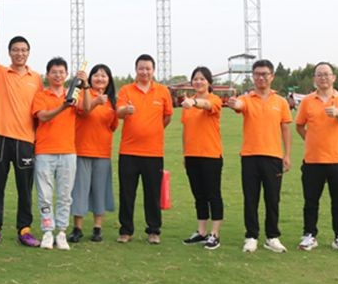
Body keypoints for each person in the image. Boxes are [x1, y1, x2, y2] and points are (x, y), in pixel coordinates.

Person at [0, 27, 42, 248]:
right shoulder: (1, 73)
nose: (19, 53)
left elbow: (40, 110)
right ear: (9, 52)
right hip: (1, 138)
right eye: (15, 50)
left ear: (28, 53)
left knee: (25, 188)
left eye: (23, 50)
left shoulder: (36, 79)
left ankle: (24, 230)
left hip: (26, 140)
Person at [226, 59, 292, 254]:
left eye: (264, 74)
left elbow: (286, 128)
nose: (260, 78)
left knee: (272, 199)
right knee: (251, 198)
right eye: (257, 74)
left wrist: (287, 155)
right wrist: (234, 103)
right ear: (253, 77)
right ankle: (251, 236)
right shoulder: (247, 98)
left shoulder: (280, 102)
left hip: (273, 157)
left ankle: (272, 236)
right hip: (250, 156)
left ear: (271, 76)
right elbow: (239, 105)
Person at [295, 61, 338, 253]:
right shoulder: (307, 101)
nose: (323, 78)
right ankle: (309, 235)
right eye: (319, 74)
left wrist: (337, 113)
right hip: (313, 161)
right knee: (311, 202)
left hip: (337, 159)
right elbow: (299, 125)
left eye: (326, 74)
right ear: (314, 78)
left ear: (333, 77)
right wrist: (310, 140)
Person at [115, 54, 173, 244]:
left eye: (148, 68)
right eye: (141, 68)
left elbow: (167, 116)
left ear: (153, 70)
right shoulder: (126, 90)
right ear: (136, 69)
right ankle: (126, 230)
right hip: (128, 152)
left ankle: (154, 230)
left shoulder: (162, 91)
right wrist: (126, 110)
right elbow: (118, 112)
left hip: (153, 152)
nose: (144, 72)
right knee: (127, 193)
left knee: (152, 194)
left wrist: (153, 130)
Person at [31, 57, 88, 250]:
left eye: (61, 72)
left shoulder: (73, 93)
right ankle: (48, 231)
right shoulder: (41, 95)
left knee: (65, 195)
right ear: (47, 75)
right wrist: (63, 106)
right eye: (54, 72)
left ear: (66, 74)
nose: (58, 75)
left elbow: (86, 109)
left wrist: (85, 86)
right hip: (44, 152)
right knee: (45, 196)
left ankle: (61, 231)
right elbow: (43, 116)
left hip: (68, 152)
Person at [68, 63, 118, 243]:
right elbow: (84, 110)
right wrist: (91, 94)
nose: (100, 78)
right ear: (90, 78)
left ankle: (98, 228)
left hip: (102, 152)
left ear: (109, 80)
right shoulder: (82, 93)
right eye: (96, 75)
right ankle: (77, 228)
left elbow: (113, 126)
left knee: (100, 190)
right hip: (82, 149)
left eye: (104, 76)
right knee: (80, 190)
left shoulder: (112, 101)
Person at [180, 66, 224, 250]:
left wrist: (194, 102)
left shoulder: (214, 99)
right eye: (195, 79)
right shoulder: (187, 105)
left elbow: (206, 105)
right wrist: (185, 153)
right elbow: (185, 131)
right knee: (199, 195)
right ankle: (201, 231)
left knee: (213, 194)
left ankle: (215, 233)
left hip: (210, 155)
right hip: (192, 155)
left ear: (209, 82)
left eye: (202, 79)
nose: (198, 82)